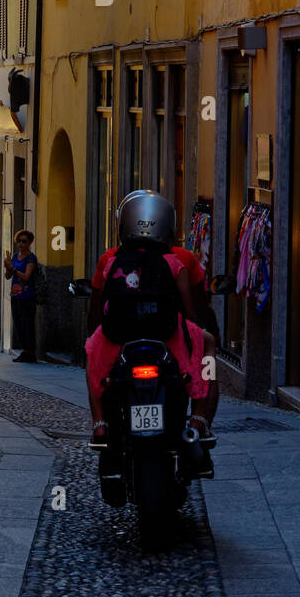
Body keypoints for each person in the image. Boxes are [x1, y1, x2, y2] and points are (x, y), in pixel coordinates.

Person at [85, 191, 218, 462]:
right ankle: (199, 421)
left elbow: (100, 309)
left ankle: (100, 424)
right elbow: (190, 312)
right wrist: (200, 329)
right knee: (209, 345)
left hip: (118, 338)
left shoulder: (110, 260)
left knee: (90, 354)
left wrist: (92, 334)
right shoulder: (177, 261)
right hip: (167, 337)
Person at [4, 229, 37, 363]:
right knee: (18, 323)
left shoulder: (31, 258)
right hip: (15, 295)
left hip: (27, 296)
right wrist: (7, 267)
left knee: (27, 324)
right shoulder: (15, 256)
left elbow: (26, 277)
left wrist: (12, 269)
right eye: (19, 241)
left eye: (24, 241)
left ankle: (30, 352)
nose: (21, 244)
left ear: (29, 243)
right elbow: (8, 276)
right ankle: (25, 351)